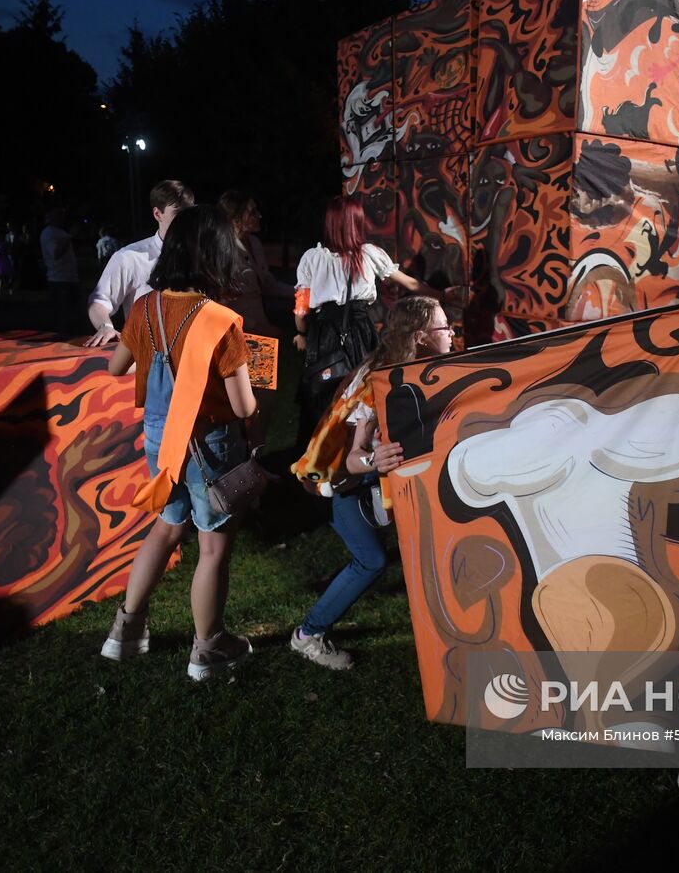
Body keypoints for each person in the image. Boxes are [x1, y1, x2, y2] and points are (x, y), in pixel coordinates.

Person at [102, 204, 260, 682]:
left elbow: (116, 368)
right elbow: (244, 407)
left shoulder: (144, 307)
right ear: (216, 255)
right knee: (212, 548)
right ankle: (208, 648)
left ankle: (124, 632)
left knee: (166, 527)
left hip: (158, 438)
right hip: (207, 443)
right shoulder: (220, 319)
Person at [289, 296, 453, 670]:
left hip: (379, 484)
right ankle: (308, 634)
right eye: (445, 326)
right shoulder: (378, 385)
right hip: (343, 484)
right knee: (371, 560)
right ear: (421, 336)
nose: (452, 332)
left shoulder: (414, 368)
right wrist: (373, 460)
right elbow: (350, 457)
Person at [294, 194, 459, 444]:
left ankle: (323, 453)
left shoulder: (312, 258)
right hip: (360, 331)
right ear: (355, 223)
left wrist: (301, 334)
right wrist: (442, 296)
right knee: (364, 392)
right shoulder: (368, 254)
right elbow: (410, 283)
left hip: (323, 336)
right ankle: (362, 448)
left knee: (324, 392)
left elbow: (301, 310)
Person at [85, 180, 195, 347]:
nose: (185, 221)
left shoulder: (200, 253)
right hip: (148, 356)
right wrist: (106, 327)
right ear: (157, 214)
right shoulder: (130, 257)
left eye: (189, 213)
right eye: (178, 214)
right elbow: (100, 301)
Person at [217, 190, 294, 337]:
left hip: (261, 326)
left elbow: (268, 285)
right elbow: (222, 307)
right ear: (235, 219)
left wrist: (301, 293)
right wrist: (256, 327)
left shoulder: (255, 243)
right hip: (240, 332)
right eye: (252, 212)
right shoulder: (223, 252)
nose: (259, 216)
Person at [40, 207, 80, 328]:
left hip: (69, 277)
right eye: (58, 215)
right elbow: (56, 254)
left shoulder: (59, 231)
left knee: (74, 313)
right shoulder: (49, 233)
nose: (62, 218)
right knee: (63, 315)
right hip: (59, 279)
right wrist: (69, 237)